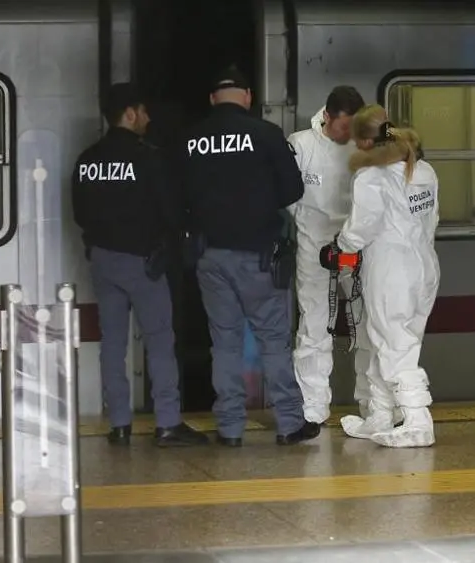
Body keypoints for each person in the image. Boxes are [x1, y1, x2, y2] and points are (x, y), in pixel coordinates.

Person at [179, 66, 321, 447]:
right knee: (273, 340)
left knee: (223, 343)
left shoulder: (191, 140)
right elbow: (292, 190)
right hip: (258, 255)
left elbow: (178, 195)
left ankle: (229, 428)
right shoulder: (265, 134)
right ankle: (290, 424)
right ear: (246, 97)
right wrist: (257, 205)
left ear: (212, 99)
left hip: (210, 255)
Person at [71, 82, 209, 448]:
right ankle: (167, 423)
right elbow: (169, 211)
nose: (148, 118)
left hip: (102, 260)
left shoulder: (87, 160)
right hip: (143, 261)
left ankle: (118, 423)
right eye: (144, 111)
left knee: (113, 343)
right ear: (129, 114)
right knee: (160, 340)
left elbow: (79, 213)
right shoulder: (148, 157)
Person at [321, 104, 440, 448]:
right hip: (424, 267)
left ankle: (417, 420)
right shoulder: (424, 171)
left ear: (365, 142)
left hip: (390, 271)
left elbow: (361, 230)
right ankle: (380, 415)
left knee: (394, 345)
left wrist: (338, 247)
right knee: (388, 341)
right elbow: (432, 220)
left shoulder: (371, 178)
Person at [287, 86, 372, 425]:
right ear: (327, 116)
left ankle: (374, 404)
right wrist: (310, 226)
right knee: (313, 326)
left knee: (368, 324)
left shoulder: (365, 146)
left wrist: (352, 237)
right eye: (343, 128)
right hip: (314, 246)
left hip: (356, 246)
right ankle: (313, 408)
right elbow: (289, 195)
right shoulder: (300, 144)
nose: (347, 135)